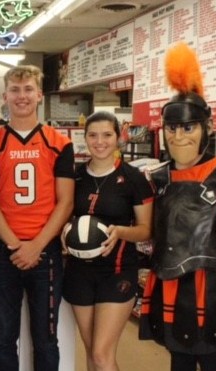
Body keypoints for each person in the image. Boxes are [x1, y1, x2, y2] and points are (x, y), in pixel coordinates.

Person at [0, 65, 75, 371]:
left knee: (46, 338)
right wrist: (15, 244)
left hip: (45, 252)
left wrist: (37, 245)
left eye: (28, 89)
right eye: (15, 90)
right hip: (3, 250)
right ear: (5, 96)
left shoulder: (60, 143)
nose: (22, 96)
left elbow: (66, 201)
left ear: (39, 95)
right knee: (4, 336)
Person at [139, 42, 216, 371]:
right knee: (179, 362)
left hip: (214, 288)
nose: (178, 136)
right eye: (172, 128)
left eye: (188, 127)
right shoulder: (156, 178)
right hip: (170, 284)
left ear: (205, 130)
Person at [62, 111, 153, 370]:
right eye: (93, 135)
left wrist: (120, 232)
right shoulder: (75, 177)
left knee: (101, 354)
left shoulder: (134, 178)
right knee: (92, 352)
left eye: (106, 135)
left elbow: (146, 230)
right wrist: (64, 232)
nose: (99, 141)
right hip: (79, 272)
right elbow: (65, 215)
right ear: (85, 138)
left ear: (118, 137)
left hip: (117, 271)